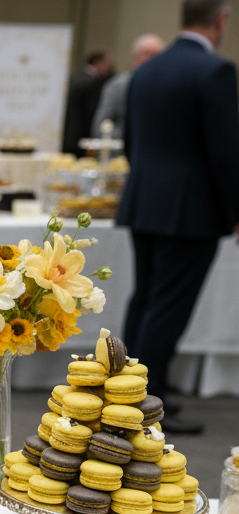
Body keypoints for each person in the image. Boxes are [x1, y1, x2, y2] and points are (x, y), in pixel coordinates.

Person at [118, 0, 239, 433]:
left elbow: (132, 142)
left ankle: (127, 394)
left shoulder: (146, 70)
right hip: (191, 209)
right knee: (167, 308)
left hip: (145, 200)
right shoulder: (216, 72)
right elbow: (226, 154)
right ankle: (146, 409)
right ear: (220, 20)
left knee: (146, 298)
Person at [91, 34, 165, 137]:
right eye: (147, 54)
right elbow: (100, 127)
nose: (152, 59)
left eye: (157, 55)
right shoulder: (118, 86)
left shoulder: (166, 87)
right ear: (135, 56)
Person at [61, 49, 113, 155]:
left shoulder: (75, 78)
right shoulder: (93, 83)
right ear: (99, 63)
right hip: (81, 138)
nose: (109, 68)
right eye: (107, 64)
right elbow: (92, 113)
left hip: (67, 135)